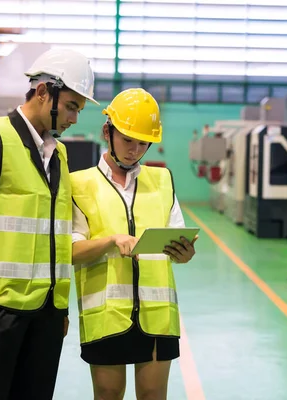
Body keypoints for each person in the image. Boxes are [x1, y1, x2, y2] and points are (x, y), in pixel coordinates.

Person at [0, 48, 99, 400]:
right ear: (44, 92)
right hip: (1, 309)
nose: (75, 118)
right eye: (72, 106)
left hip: (46, 313)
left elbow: (55, 230)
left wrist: (58, 306)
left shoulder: (58, 153)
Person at [70, 88, 198, 400]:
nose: (135, 150)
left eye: (143, 143)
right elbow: (70, 251)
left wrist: (184, 253)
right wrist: (111, 242)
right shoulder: (79, 184)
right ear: (107, 131)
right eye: (128, 140)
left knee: (154, 395)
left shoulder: (162, 181)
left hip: (157, 316)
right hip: (106, 316)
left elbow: (180, 244)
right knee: (108, 394)